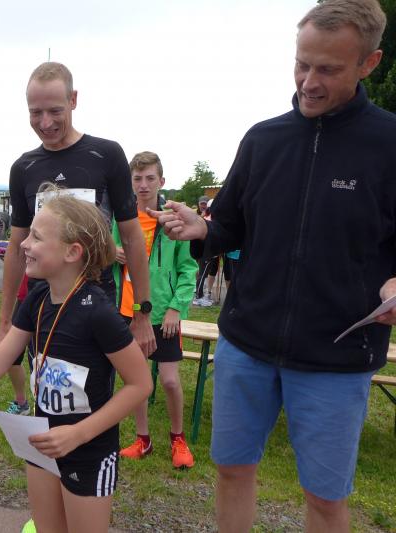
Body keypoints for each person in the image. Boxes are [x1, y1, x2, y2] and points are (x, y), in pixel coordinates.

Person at [152, 1, 395, 530]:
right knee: (232, 470)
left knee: (325, 499)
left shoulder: (388, 144)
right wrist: (202, 231)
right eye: (301, 64)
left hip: (337, 355)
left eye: (328, 69)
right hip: (247, 343)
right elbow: (229, 228)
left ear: (369, 63)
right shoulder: (263, 139)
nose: (309, 82)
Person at [0, 190, 152, 533]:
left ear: (72, 252)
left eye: (36, 237)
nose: (23, 243)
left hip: (89, 450)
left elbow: (140, 384)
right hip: (40, 442)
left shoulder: (99, 313)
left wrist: (78, 434)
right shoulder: (37, 297)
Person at [0, 63, 156, 413]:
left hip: (96, 299)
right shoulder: (23, 168)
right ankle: (49, 448)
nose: (45, 123)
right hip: (42, 303)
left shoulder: (107, 155)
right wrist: (5, 319)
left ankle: (87, 449)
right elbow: (16, 247)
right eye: (35, 112)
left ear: (73, 100)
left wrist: (142, 313)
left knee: (93, 401)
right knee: (47, 398)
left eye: (55, 111)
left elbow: (132, 239)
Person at [114, 152, 198, 469]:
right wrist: (112, 252)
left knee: (170, 381)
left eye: (150, 178)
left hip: (163, 315)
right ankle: (143, 439)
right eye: (137, 178)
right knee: (136, 380)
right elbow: (102, 252)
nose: (143, 185)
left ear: (161, 181)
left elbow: (188, 269)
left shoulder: (172, 222)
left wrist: (177, 308)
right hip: (129, 311)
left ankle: (178, 438)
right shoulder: (121, 220)